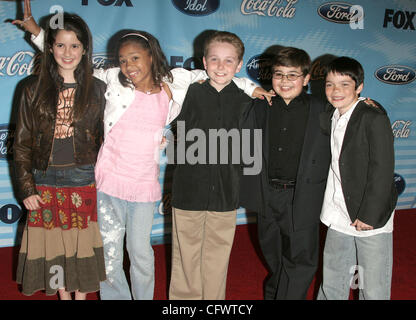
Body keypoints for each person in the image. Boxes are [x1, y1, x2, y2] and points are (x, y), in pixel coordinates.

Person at [15, 1, 272, 300]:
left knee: (140, 253)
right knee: (110, 254)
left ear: (151, 56)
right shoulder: (112, 81)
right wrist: (36, 32)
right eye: (123, 60)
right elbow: (71, 59)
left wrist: (251, 87)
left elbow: (216, 75)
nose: (129, 66)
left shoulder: (173, 84)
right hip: (108, 182)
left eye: (136, 58)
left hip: (144, 186)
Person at [13, 13, 107, 300]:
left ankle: (80, 298)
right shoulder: (30, 89)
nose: (68, 53)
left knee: (80, 248)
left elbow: (112, 137)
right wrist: (27, 187)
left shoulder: (100, 89)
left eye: (75, 46)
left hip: (83, 178)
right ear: (50, 48)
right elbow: (21, 144)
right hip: (44, 179)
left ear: (85, 49)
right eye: (60, 45)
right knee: (54, 248)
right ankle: (64, 297)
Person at [169, 31, 258, 300]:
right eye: (215, 59)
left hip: (225, 192)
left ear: (239, 65)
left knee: (218, 256)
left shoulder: (248, 102)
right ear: (203, 62)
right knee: (185, 256)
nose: (221, 67)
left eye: (229, 61)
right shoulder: (187, 93)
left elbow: (251, 151)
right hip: (188, 190)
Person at [239, 47, 332, 300]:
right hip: (266, 194)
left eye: (292, 75)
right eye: (279, 74)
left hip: (302, 196)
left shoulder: (324, 109)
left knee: (300, 261)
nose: (285, 81)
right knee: (275, 257)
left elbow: (353, 116)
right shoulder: (259, 106)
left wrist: (367, 105)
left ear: (306, 78)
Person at [317, 56, 397, 300]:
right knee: (332, 281)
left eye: (344, 84)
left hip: (369, 217)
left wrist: (369, 215)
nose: (336, 91)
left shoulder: (372, 117)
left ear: (359, 87)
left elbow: (383, 169)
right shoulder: (329, 115)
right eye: (330, 84)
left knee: (372, 288)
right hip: (338, 213)